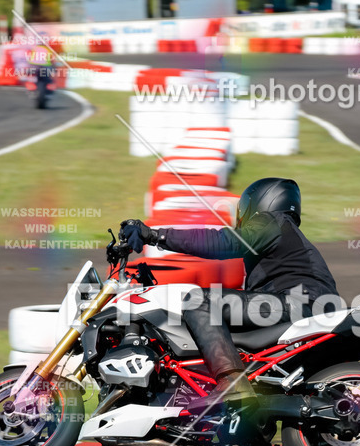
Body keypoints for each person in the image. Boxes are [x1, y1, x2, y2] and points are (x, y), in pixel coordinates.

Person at [121, 177, 338, 417]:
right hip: (304, 305)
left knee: (198, 301)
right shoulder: (286, 238)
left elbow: (223, 242)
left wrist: (154, 235)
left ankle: (231, 384)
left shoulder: (272, 221)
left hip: (296, 303)